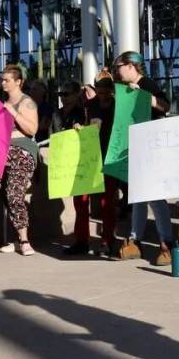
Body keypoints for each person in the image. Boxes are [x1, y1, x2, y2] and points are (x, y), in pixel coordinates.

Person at [113, 51, 174, 266]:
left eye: (119, 66)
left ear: (131, 66)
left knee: (155, 197)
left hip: (151, 147)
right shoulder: (123, 89)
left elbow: (165, 106)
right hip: (135, 147)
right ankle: (135, 239)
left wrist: (145, 96)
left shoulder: (147, 83)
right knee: (137, 196)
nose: (117, 71)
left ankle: (167, 241)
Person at [64, 77, 119, 257]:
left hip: (109, 156)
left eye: (106, 92)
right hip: (90, 155)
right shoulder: (89, 104)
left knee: (107, 202)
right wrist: (79, 126)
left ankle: (108, 240)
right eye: (99, 91)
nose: (102, 95)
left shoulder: (117, 106)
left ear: (111, 90)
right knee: (80, 200)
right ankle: (82, 240)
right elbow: (81, 122)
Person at [0, 65, 39, 256]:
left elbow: (32, 129)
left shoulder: (27, 102)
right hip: (1, 151)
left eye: (7, 80)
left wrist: (12, 112)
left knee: (14, 193)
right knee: (6, 195)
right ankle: (15, 238)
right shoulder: (2, 102)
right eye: (2, 79)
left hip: (21, 151)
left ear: (18, 81)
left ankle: (24, 239)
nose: (3, 83)